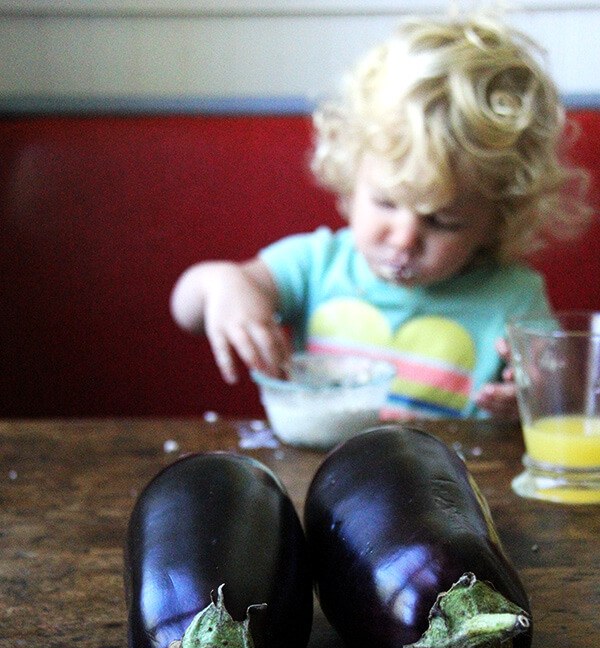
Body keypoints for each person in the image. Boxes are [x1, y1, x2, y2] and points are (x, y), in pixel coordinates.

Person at [170, 15, 590, 419]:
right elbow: (186, 309)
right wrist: (223, 285)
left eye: (442, 222)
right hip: (324, 476)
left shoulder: (514, 299)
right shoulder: (316, 265)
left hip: (447, 485)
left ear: (497, 221)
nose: (404, 238)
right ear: (352, 183)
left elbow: (564, 406)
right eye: (387, 203)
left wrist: (530, 401)